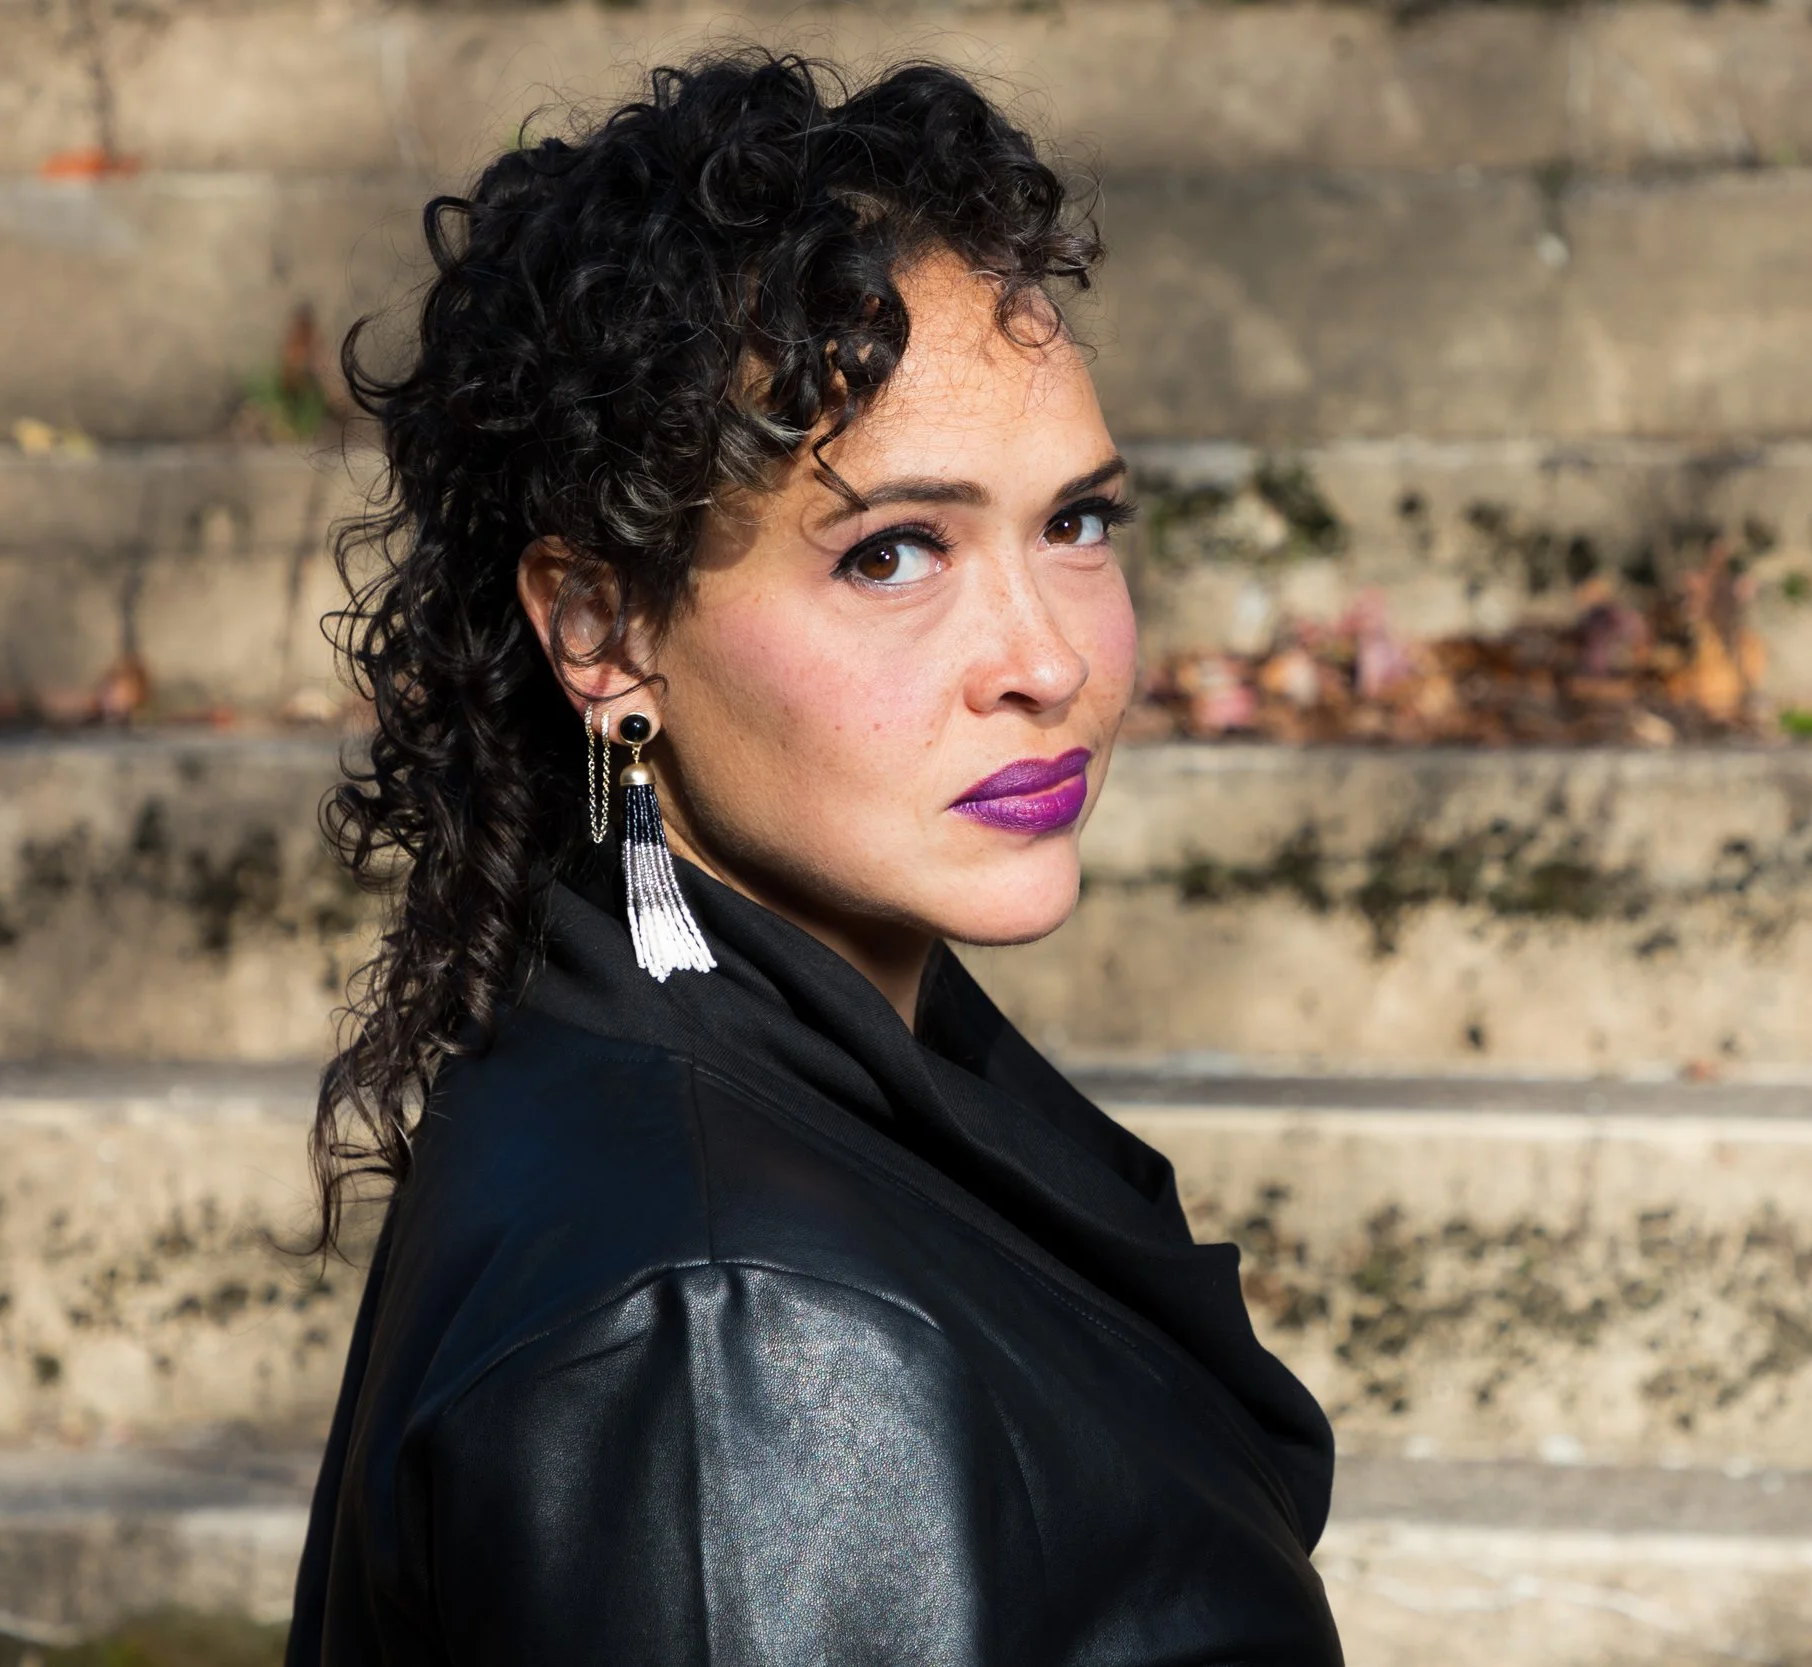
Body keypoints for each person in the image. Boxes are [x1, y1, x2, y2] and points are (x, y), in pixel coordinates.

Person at [287, 51, 1341, 1665]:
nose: (1047, 660)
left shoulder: (708, 1079)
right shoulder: (738, 1340)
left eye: (1074, 524)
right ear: (602, 629)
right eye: (895, 552)